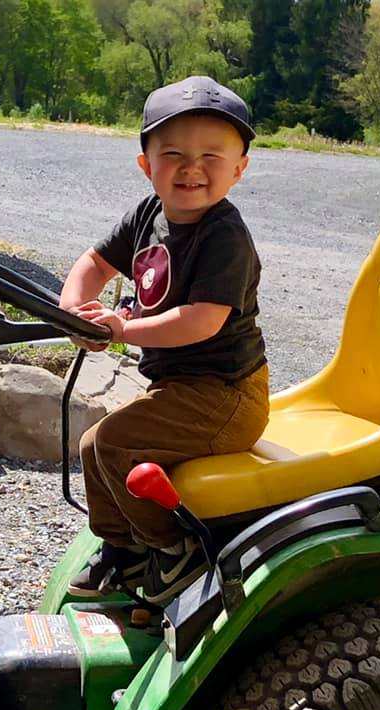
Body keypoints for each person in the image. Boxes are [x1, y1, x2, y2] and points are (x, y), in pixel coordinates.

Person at [60, 76, 269, 605]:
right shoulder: (147, 214)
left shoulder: (225, 236)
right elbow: (94, 263)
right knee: (92, 444)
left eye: (211, 156)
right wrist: (73, 311)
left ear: (239, 168)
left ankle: (175, 552)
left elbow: (201, 321)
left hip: (225, 396)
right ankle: (123, 549)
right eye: (172, 153)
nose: (191, 168)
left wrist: (123, 327)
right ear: (145, 164)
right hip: (179, 389)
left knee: (115, 443)